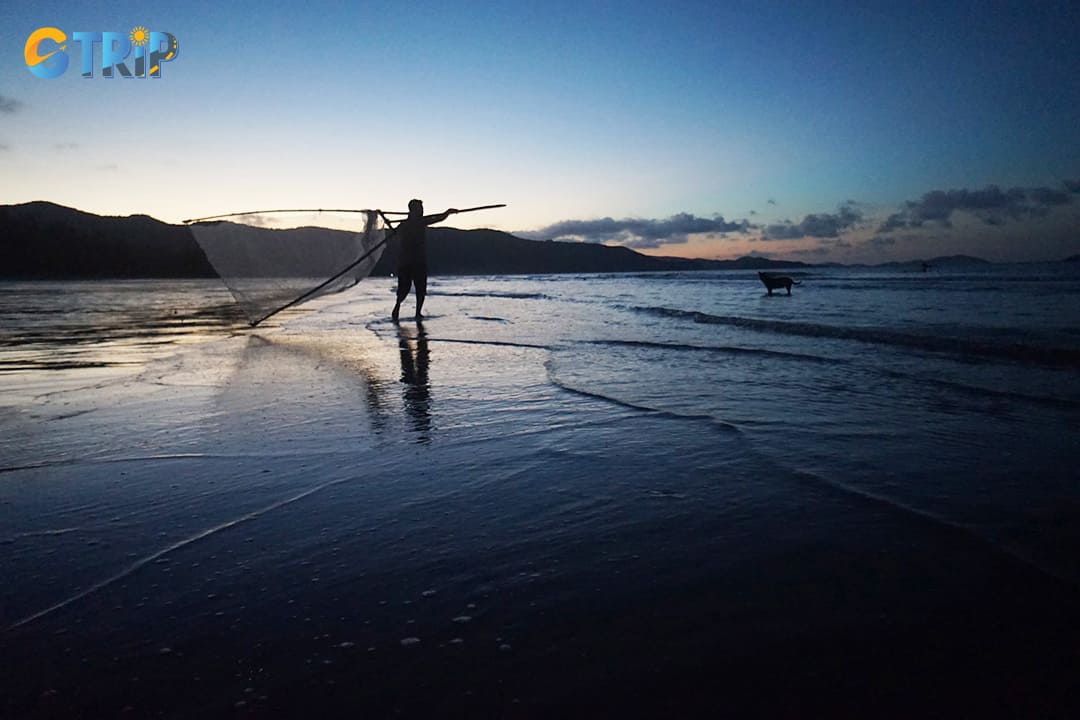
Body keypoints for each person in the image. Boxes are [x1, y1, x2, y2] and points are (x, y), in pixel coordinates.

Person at [392, 199, 458, 321]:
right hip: (410, 261)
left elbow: (394, 232)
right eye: (420, 209)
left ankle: (415, 311)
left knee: (419, 288)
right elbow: (436, 219)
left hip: (414, 261)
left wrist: (446, 213)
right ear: (414, 210)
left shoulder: (407, 224)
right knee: (406, 288)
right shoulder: (415, 223)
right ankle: (398, 308)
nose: (422, 211)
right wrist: (447, 213)